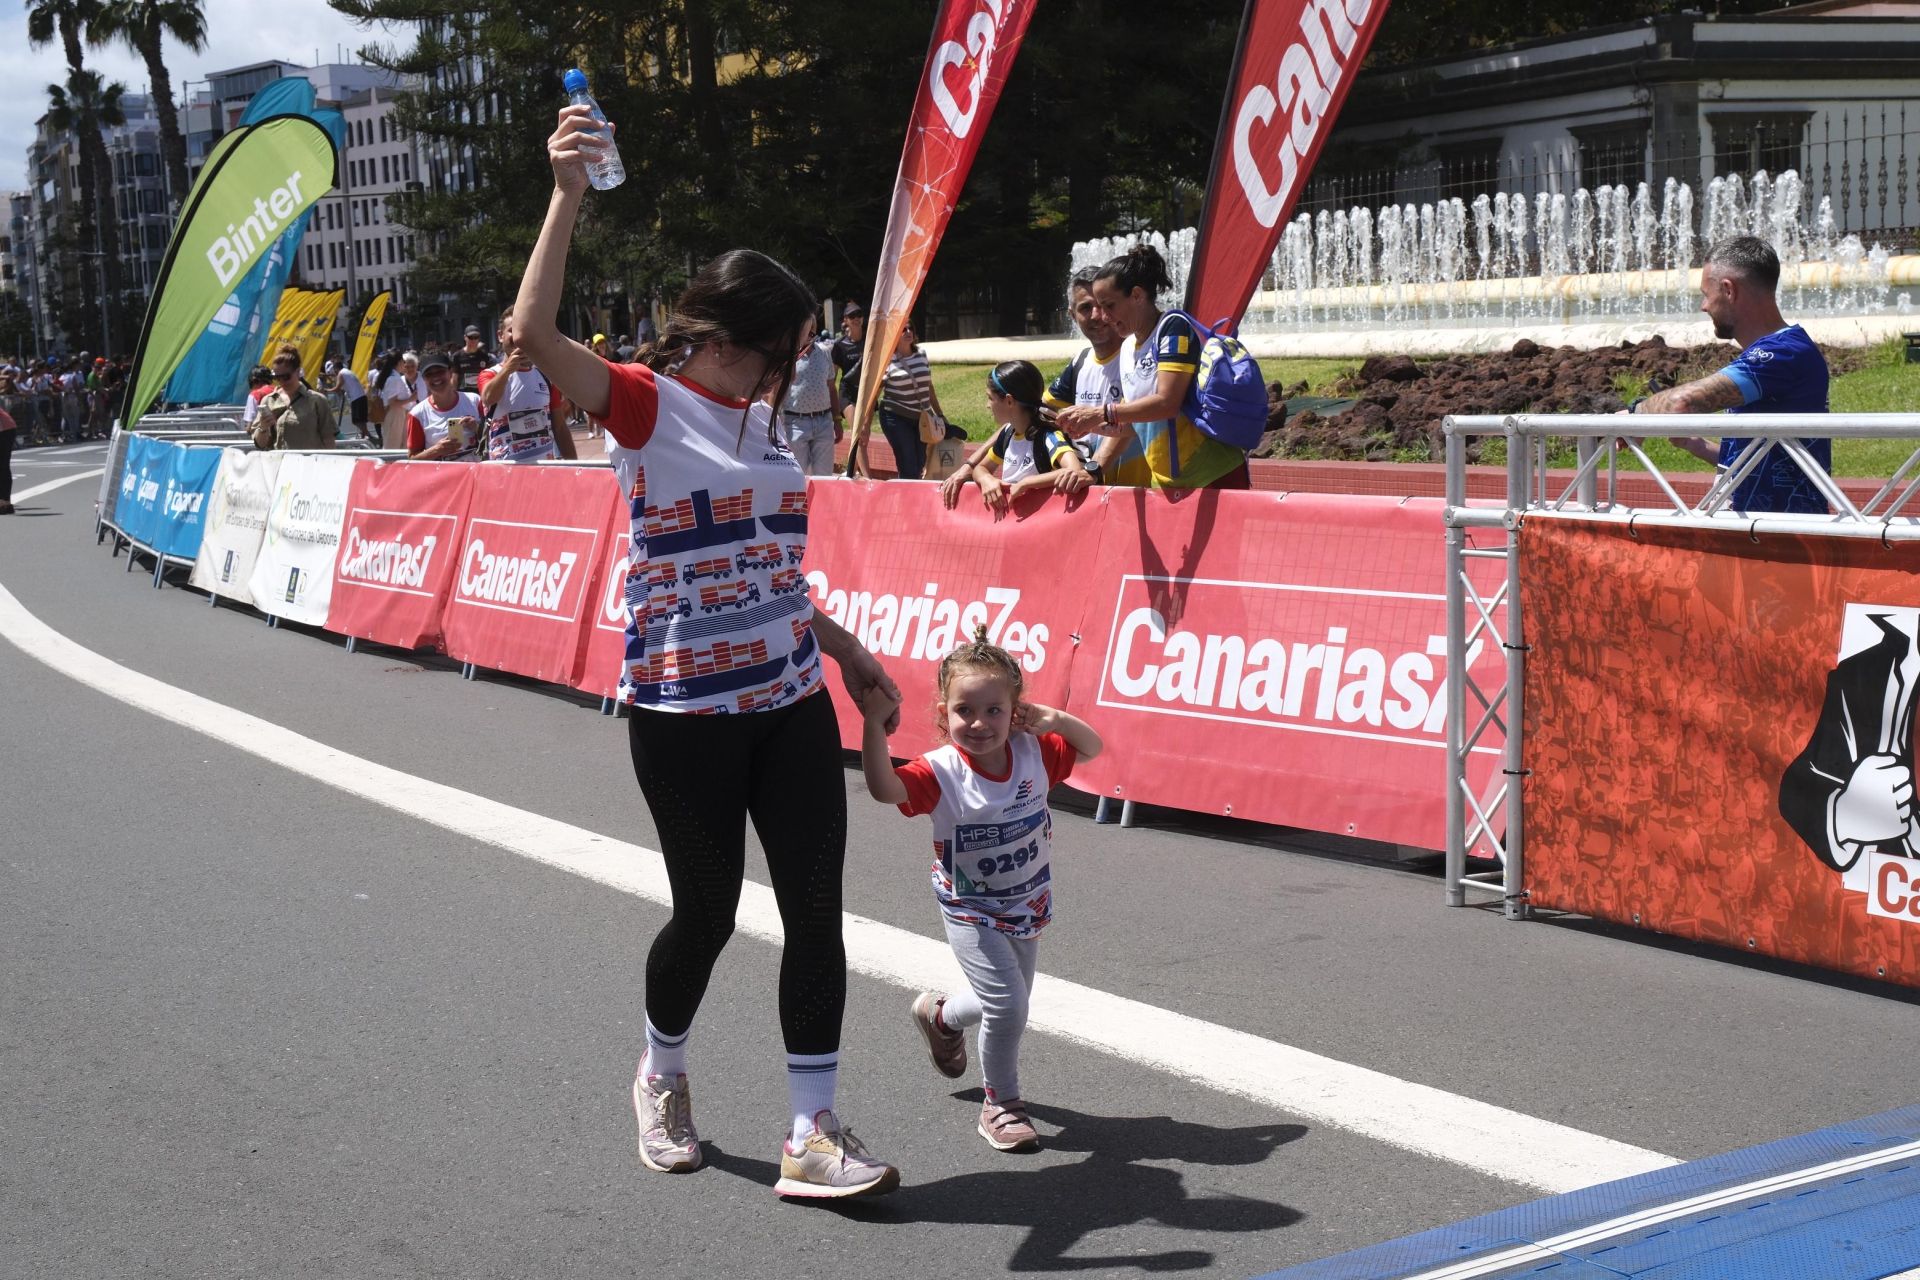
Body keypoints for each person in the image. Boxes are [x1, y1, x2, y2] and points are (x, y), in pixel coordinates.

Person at [508, 100, 905, 1199]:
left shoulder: (765, 428)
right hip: (683, 709)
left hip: (788, 696)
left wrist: (842, 647)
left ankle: (811, 1130)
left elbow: (765, 564)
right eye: (777, 356)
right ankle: (661, 1069)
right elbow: (531, 336)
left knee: (817, 905)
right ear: (726, 339)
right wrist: (565, 191)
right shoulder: (647, 404)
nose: (786, 377)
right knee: (709, 911)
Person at [859, 626, 1103, 1153]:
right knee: (1010, 1006)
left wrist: (1053, 719)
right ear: (943, 713)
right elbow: (885, 789)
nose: (979, 723)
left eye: (994, 710)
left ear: (1016, 712)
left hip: (1026, 901)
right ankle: (1002, 1104)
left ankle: (940, 1015)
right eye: (964, 710)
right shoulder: (941, 771)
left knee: (1005, 999)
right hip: (968, 907)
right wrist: (874, 728)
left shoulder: (1035, 752)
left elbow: (1093, 747)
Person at [1628, 235, 1831, 513]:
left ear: (1728, 290)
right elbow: (1760, 462)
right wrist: (1698, 446)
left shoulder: (1782, 354)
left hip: (1777, 541)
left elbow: (1682, 403)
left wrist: (1635, 414)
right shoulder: (1776, 352)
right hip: (1759, 533)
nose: (1704, 306)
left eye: (1705, 294)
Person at [1056, 243, 1250, 490]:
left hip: (1212, 476)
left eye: (1109, 305)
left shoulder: (1172, 327)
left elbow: (1167, 403)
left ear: (1137, 295)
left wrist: (1099, 413)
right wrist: (1090, 428)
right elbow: (1134, 424)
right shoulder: (1128, 347)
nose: (1102, 317)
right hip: (1165, 483)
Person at [941, 361, 1093, 510]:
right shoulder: (1008, 433)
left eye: (990, 398)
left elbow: (1074, 469)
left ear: (1009, 401)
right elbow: (981, 468)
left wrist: (1028, 482)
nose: (987, 405)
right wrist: (986, 479)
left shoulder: (1048, 436)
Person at [1046, 266, 1136, 483]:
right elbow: (1034, 412)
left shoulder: (1136, 355)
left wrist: (1092, 472)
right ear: (1072, 315)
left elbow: (1129, 420)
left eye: (1103, 305)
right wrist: (975, 465)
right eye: (1086, 308)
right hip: (1091, 491)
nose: (1097, 315)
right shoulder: (1081, 361)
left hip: (1137, 492)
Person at [478, 305, 578, 463]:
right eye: (512, 330)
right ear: (500, 336)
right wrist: (507, 370)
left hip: (543, 471)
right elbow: (488, 398)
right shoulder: (490, 374)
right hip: (506, 473)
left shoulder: (545, 376)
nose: (518, 337)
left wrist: (574, 467)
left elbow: (559, 427)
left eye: (523, 331)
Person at [860, 322, 945, 481]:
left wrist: (939, 413)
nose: (908, 332)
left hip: (922, 420)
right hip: (896, 418)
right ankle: (909, 502)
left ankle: (907, 496)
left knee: (919, 464)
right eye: (903, 329)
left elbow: (928, 387)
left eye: (910, 328)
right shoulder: (887, 361)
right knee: (909, 465)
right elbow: (874, 396)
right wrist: (866, 426)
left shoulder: (921, 355)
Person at [781, 326, 843, 476]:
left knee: (824, 477)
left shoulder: (824, 352)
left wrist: (837, 419)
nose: (809, 331)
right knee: (798, 475)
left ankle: (821, 501)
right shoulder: (787, 354)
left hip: (823, 422)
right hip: (795, 423)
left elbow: (831, 388)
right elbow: (777, 390)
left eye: (812, 327)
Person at [252, 344, 337, 451]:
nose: (281, 381)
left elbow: (328, 439)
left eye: (286, 376)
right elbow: (260, 444)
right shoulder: (268, 400)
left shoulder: (317, 400)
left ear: (297, 372)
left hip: (309, 464)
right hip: (278, 465)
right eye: (277, 377)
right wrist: (263, 427)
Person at [404, 350, 484, 460]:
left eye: (440, 371)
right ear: (423, 379)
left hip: (475, 475)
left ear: (450, 372)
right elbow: (412, 459)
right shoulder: (417, 414)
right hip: (440, 476)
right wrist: (437, 450)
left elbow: (495, 439)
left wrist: (477, 428)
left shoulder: (474, 400)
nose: (436, 377)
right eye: (429, 374)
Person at [371, 351, 414, 448]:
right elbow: (393, 403)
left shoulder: (393, 377)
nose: (405, 364)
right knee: (392, 445)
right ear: (399, 362)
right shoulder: (394, 379)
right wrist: (411, 398)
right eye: (403, 362)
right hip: (395, 413)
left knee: (400, 444)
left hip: (398, 413)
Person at [831, 301, 865, 411]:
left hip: (866, 392)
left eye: (859, 314)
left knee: (865, 428)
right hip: (848, 393)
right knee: (858, 427)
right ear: (846, 320)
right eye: (852, 316)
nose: (856, 318)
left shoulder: (870, 340)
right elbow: (833, 377)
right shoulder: (839, 345)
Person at [329, 357, 372, 442]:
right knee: (361, 420)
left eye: (334, 370)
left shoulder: (341, 373)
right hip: (361, 396)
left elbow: (337, 388)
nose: (334, 372)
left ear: (336, 368)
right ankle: (364, 436)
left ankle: (368, 435)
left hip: (356, 398)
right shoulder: (348, 371)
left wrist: (326, 390)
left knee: (356, 420)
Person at [452, 325, 493, 393]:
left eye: (476, 337)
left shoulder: (484, 356)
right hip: (464, 394)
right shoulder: (457, 356)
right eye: (470, 337)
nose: (473, 340)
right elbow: (454, 379)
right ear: (465, 337)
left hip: (480, 394)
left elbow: (488, 377)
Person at [0, 397, 16, 514]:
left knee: (3, 466)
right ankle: (5, 502)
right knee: (3, 466)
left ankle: (4, 502)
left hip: (4, 430)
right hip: (7, 428)